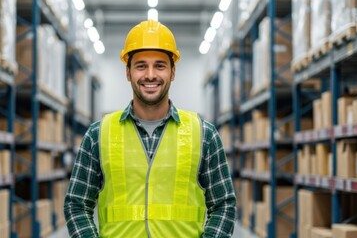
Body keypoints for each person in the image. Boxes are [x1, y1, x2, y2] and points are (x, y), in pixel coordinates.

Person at [64, 19, 236, 238]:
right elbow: (76, 205)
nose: (151, 75)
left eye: (160, 65)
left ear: (173, 72)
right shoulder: (99, 135)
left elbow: (224, 204)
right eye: (141, 65)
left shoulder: (204, 134)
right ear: (128, 73)